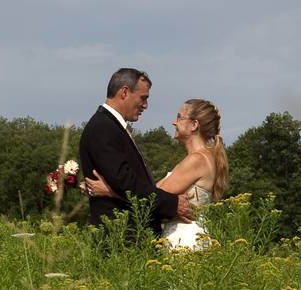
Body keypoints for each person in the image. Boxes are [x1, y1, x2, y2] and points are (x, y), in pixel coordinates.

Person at [86, 98, 228, 249]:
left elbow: (152, 198)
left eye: (180, 117)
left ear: (194, 125)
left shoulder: (197, 160)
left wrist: (109, 191)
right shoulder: (201, 158)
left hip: (184, 241)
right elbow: (150, 192)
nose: (174, 122)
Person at [79, 68, 192, 237]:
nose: (145, 105)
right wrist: (171, 203)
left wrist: (111, 191)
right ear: (124, 92)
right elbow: (125, 182)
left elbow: (126, 184)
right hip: (123, 237)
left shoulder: (110, 127)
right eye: (143, 98)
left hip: (131, 235)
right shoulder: (103, 127)